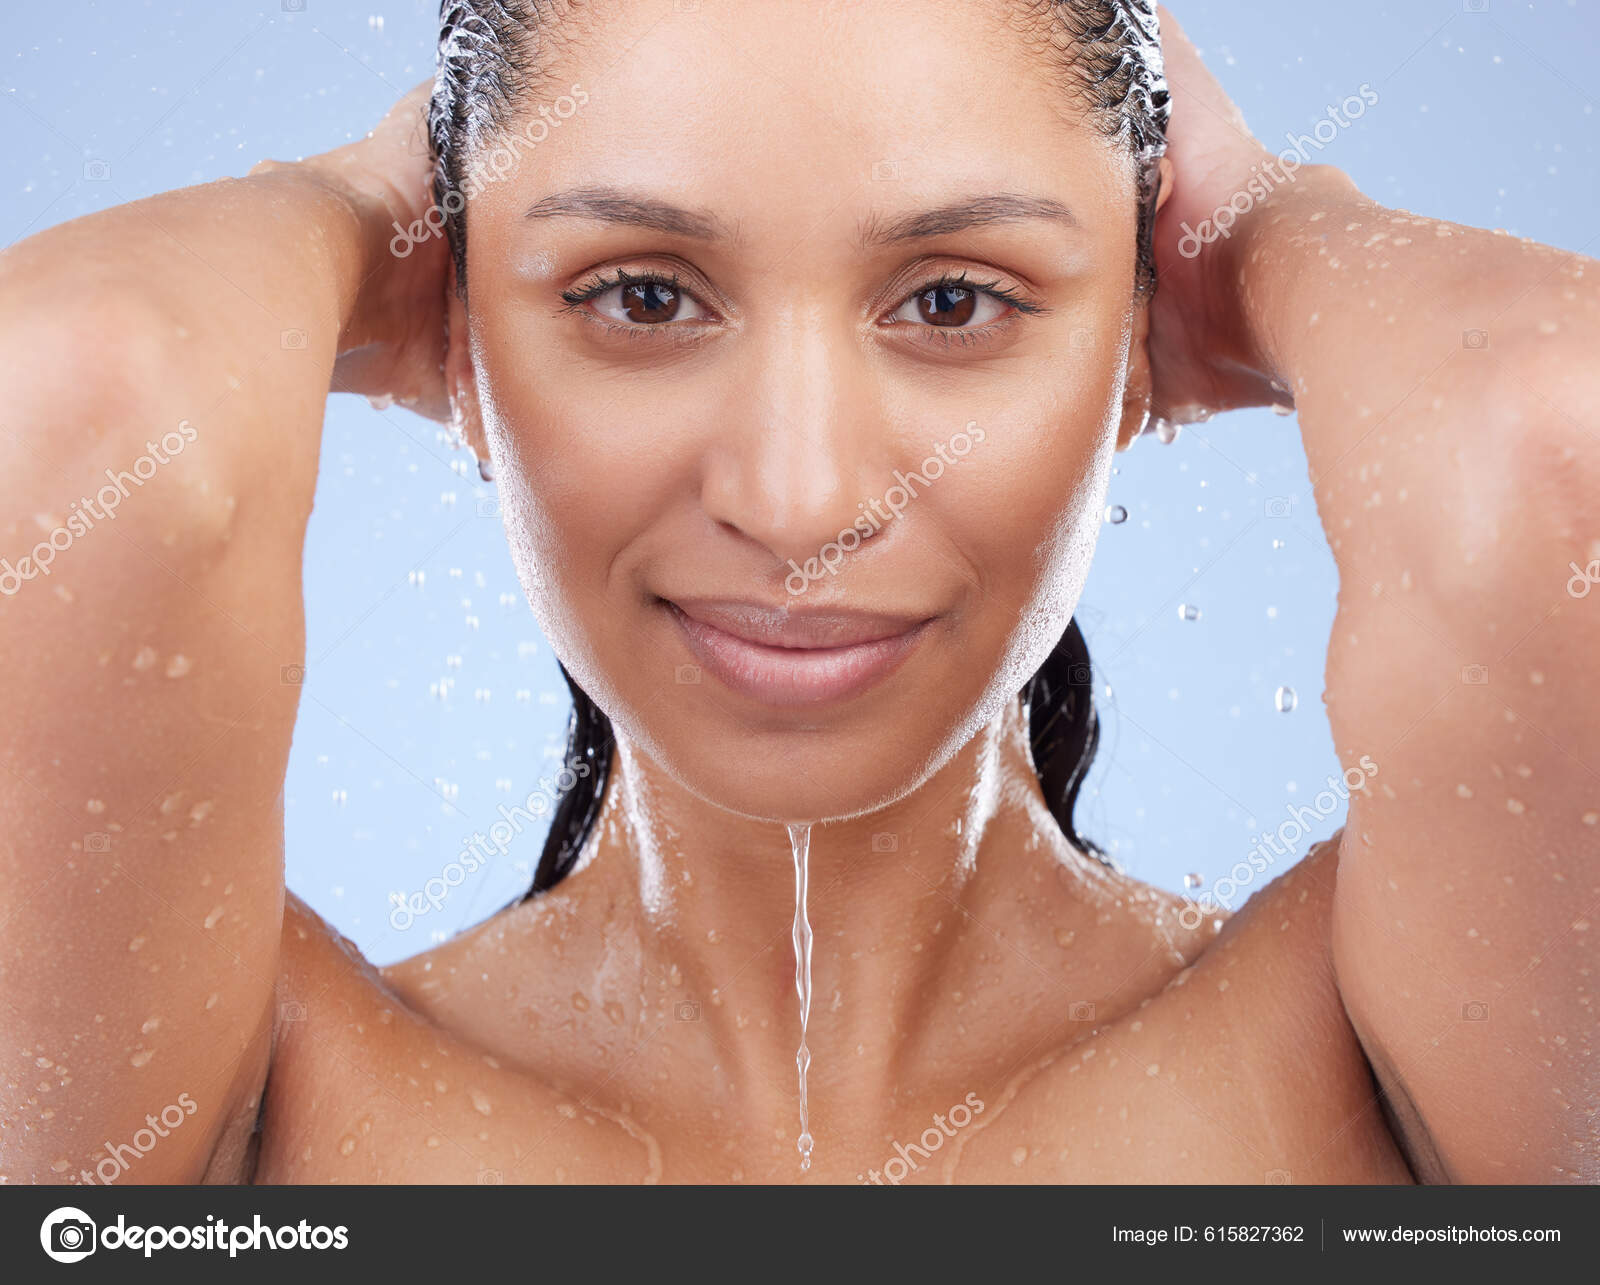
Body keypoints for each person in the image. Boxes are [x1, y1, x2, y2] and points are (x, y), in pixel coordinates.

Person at [0, 0, 1593, 1185]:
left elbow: (1549, 449)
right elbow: (79, 409)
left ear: (1140, 334)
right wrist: (351, 202)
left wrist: (1270, 224)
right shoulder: (254, 1120)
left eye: (954, 298)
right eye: (641, 292)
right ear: (462, 339)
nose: (802, 498)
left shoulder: (1373, 1075)